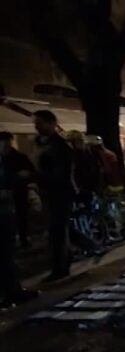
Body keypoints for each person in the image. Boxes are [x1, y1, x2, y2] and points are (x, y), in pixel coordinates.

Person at [34, 110, 76, 281]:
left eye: (39, 123)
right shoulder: (45, 144)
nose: (36, 126)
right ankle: (64, 261)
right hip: (52, 191)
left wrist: (40, 179)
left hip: (59, 192)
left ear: (51, 123)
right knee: (58, 229)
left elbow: (61, 172)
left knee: (57, 230)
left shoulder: (59, 146)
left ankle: (60, 266)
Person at [0, 132, 39, 307]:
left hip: (11, 205)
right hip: (5, 207)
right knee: (5, 252)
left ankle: (12, 290)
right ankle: (10, 291)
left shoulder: (14, 158)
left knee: (7, 252)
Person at [0, 132, 37, 248]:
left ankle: (22, 238)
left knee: (20, 216)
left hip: (17, 191)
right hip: (5, 193)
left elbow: (31, 173)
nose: (5, 145)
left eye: (7, 142)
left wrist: (24, 177)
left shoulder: (19, 157)